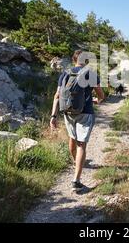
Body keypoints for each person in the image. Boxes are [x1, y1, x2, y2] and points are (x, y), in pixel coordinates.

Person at [50, 50, 105, 193]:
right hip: (85, 112)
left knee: (72, 139)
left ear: (74, 59)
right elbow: (101, 95)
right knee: (81, 145)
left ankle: (77, 162)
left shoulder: (65, 73)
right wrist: (97, 100)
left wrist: (53, 116)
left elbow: (57, 95)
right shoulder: (90, 74)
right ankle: (76, 180)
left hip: (68, 111)